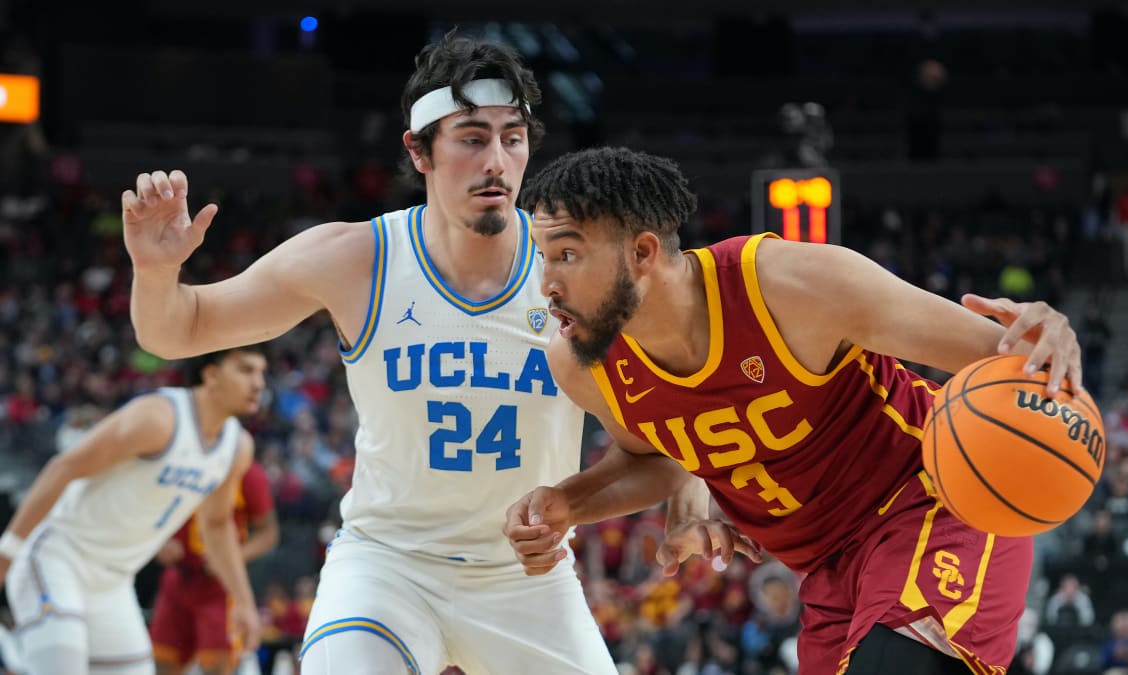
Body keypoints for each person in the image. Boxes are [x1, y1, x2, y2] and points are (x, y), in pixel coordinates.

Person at [118, 33, 733, 675]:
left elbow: (662, 427)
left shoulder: (576, 268)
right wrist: (156, 272)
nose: (496, 159)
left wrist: (677, 492)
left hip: (525, 576)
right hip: (389, 567)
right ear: (419, 151)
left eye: (512, 136)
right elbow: (178, 331)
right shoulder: (355, 258)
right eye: (471, 137)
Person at [503, 147, 1087, 675]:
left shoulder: (790, 287)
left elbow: (1003, 353)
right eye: (542, 256)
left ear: (642, 253)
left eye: (568, 255)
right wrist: (570, 501)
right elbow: (654, 455)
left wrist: (1050, 332)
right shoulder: (585, 364)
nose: (546, 283)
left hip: (931, 505)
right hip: (828, 572)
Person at [0, 346, 266, 675]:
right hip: (58, 559)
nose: (258, 383)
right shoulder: (159, 417)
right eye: (245, 370)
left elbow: (216, 525)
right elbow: (64, 467)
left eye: (261, 372)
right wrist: (8, 551)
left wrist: (243, 600)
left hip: (114, 582)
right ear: (211, 374)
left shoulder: (237, 448)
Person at [150, 454, 279, 675]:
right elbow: (149, 513)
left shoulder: (246, 470)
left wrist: (232, 556)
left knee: (216, 666)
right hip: (177, 577)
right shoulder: (176, 459)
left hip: (220, 585)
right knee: (161, 662)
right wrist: (158, 541)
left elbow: (269, 533)